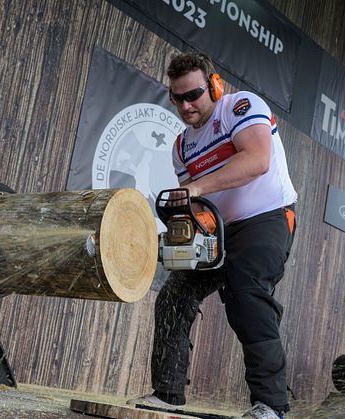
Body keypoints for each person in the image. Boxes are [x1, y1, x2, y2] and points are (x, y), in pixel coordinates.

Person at [128, 52, 297, 419]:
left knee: (246, 291)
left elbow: (257, 160)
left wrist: (196, 188)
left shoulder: (240, 107)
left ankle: (272, 406)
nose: (187, 105)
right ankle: (167, 394)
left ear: (214, 86)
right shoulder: (181, 147)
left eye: (194, 95)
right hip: (217, 229)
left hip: (267, 218)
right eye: (178, 98)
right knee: (174, 295)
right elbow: (194, 206)